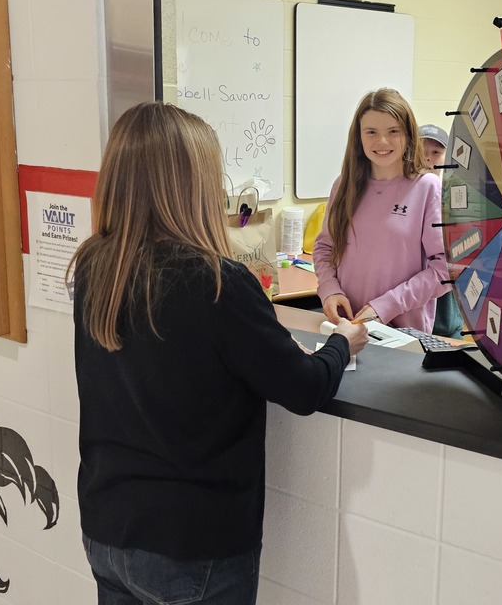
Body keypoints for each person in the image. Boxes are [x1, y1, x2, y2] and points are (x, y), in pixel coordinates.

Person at [70, 102, 368, 605]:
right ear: (192, 186)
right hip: (191, 544)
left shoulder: (95, 265)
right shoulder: (217, 282)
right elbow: (305, 388)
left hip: (107, 526)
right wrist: (342, 343)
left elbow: (170, 357)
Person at [313, 88, 449, 333]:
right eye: (371, 132)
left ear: (408, 135)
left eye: (393, 131)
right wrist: (329, 289)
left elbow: (445, 269)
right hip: (345, 327)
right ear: (359, 137)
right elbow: (325, 248)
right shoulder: (344, 185)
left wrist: (387, 306)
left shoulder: (427, 187)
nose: (382, 141)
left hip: (402, 335)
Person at [418, 123, 464, 339]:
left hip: (446, 317)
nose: (428, 158)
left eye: (436, 152)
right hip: (409, 313)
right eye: (422, 152)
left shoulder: (457, 197)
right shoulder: (403, 194)